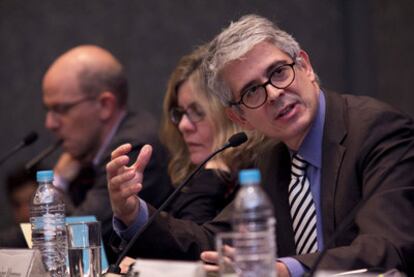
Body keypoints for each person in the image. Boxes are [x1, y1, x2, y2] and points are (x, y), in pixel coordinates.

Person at [199, 14, 414, 276]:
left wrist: (284, 270)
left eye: (278, 72)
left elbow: (386, 248)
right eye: (252, 91)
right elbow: (216, 242)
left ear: (306, 67)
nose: (274, 93)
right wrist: (136, 213)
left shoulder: (378, 129)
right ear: (240, 117)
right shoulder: (272, 156)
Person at [106, 45, 269, 260]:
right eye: (180, 113)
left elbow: (198, 250)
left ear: (231, 115)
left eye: (197, 112)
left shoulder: (261, 178)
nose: (183, 125)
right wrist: (130, 213)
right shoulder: (184, 176)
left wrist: (211, 176)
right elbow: (174, 244)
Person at [41, 45, 172, 260]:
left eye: (61, 109)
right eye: (48, 110)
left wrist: (58, 184)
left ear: (105, 105)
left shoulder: (130, 148)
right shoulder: (84, 152)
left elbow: (76, 242)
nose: (50, 123)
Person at [0, 165, 38, 247]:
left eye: (30, 201)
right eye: (17, 205)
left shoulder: (66, 234)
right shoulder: (7, 244)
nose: (24, 212)